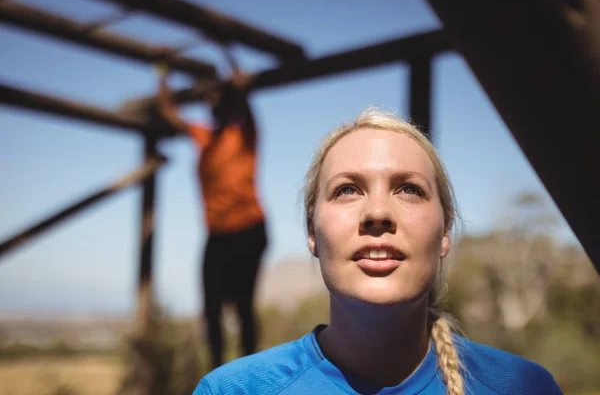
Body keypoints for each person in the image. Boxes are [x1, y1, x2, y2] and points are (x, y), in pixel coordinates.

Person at [191, 108, 563, 394]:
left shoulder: (526, 387)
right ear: (312, 233)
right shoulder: (233, 390)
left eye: (409, 189)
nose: (378, 214)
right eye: (347, 190)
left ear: (445, 231)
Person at [157, 65, 268, 369]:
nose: (211, 104)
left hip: (249, 229)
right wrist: (163, 72)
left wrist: (239, 83)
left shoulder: (245, 133)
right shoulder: (204, 136)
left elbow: (243, 101)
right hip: (217, 234)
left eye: (218, 98)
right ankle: (217, 377)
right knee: (211, 306)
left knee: (242, 306)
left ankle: (250, 377)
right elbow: (169, 113)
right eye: (208, 99)